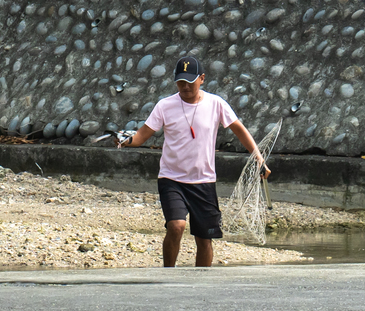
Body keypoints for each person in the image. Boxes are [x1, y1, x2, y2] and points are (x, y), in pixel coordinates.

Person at [116, 55, 271, 267]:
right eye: (180, 82)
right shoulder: (165, 106)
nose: (185, 87)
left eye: (190, 82)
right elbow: (142, 136)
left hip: (204, 181)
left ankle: (201, 284)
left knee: (204, 239)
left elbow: (239, 130)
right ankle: (168, 273)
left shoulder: (216, 104)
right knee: (176, 226)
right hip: (172, 178)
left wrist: (258, 158)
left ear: (202, 79)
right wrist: (126, 141)